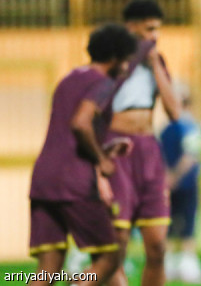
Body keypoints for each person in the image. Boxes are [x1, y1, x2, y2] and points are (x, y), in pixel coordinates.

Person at [28, 24, 138, 286]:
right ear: (115, 57)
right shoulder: (103, 83)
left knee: (49, 266)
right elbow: (80, 123)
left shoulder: (69, 79)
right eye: (126, 59)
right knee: (110, 257)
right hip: (73, 181)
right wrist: (101, 159)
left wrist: (105, 149)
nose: (127, 66)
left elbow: (66, 133)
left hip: (43, 178)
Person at [107, 0, 182, 286]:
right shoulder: (110, 57)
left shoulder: (156, 61)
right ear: (131, 27)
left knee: (157, 247)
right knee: (117, 246)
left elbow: (174, 111)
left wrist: (153, 63)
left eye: (158, 29)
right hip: (117, 149)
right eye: (150, 29)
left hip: (148, 151)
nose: (155, 36)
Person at [160, 85, 201, 283]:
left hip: (178, 184)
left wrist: (170, 177)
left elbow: (190, 156)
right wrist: (174, 177)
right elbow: (191, 156)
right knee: (184, 224)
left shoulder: (169, 128)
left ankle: (179, 264)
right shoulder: (189, 126)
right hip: (183, 184)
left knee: (178, 224)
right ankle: (181, 265)